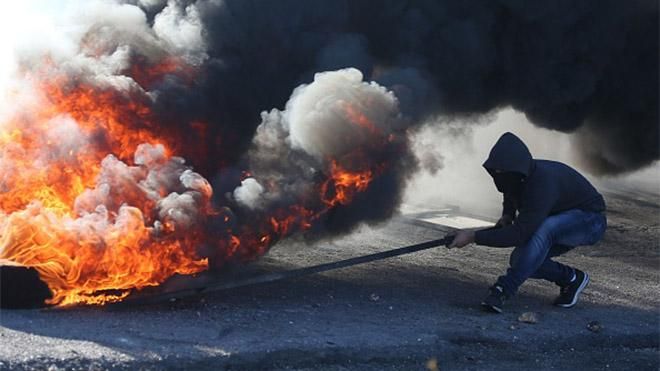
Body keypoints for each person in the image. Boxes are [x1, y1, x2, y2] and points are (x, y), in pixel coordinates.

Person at [449, 132, 607, 313]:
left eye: (503, 172)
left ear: (516, 171)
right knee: (520, 259)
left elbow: (520, 233)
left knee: (544, 230)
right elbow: (509, 192)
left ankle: (504, 289)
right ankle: (572, 278)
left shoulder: (542, 184)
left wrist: (472, 236)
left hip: (590, 221)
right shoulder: (520, 176)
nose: (499, 175)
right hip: (557, 218)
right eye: (497, 172)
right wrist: (507, 215)